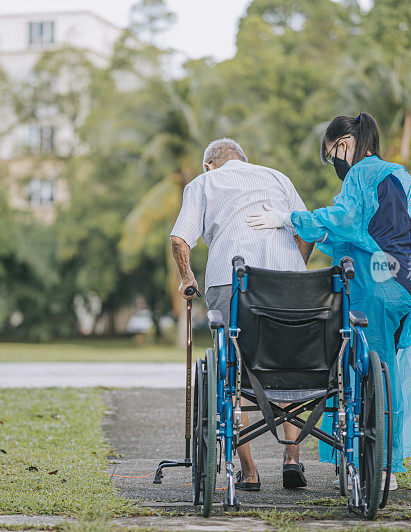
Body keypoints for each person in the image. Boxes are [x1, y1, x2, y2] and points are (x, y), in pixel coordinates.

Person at [246, 112, 411, 489]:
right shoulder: (398, 175)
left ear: (344, 144)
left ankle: (383, 469)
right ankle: (379, 461)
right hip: (403, 285)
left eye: (332, 152)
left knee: (372, 374)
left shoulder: (362, 174)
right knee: (385, 376)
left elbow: (346, 218)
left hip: (374, 285)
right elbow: (370, 227)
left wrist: (286, 219)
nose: (335, 161)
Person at [170, 138, 314, 491]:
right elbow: (308, 229)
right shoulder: (277, 177)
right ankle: (292, 457)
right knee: (286, 363)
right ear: (245, 160)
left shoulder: (203, 183)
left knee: (232, 373)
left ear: (209, 165)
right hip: (288, 285)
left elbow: (179, 239)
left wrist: (187, 278)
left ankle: (249, 471)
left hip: (231, 282)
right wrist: (293, 270)